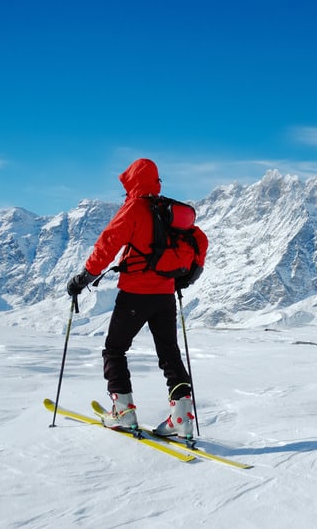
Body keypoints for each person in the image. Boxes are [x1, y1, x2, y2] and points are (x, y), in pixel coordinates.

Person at [66, 158, 208, 439]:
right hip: (166, 294)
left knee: (115, 349)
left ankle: (123, 411)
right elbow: (199, 240)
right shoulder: (168, 210)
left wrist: (82, 278)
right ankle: (181, 417)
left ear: (132, 181)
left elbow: (107, 244)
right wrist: (187, 276)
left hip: (135, 294)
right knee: (169, 353)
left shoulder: (134, 208)